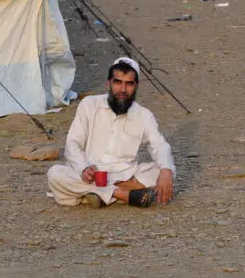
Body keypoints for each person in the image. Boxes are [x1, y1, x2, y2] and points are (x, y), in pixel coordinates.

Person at [45, 57, 176, 208]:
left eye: (129, 84)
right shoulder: (89, 105)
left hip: (125, 175)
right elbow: (73, 144)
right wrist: (83, 169)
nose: (122, 89)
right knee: (55, 174)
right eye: (118, 82)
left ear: (136, 86)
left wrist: (166, 171)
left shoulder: (144, 115)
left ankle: (95, 195)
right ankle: (121, 195)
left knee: (165, 170)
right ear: (108, 83)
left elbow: (159, 145)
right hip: (91, 174)